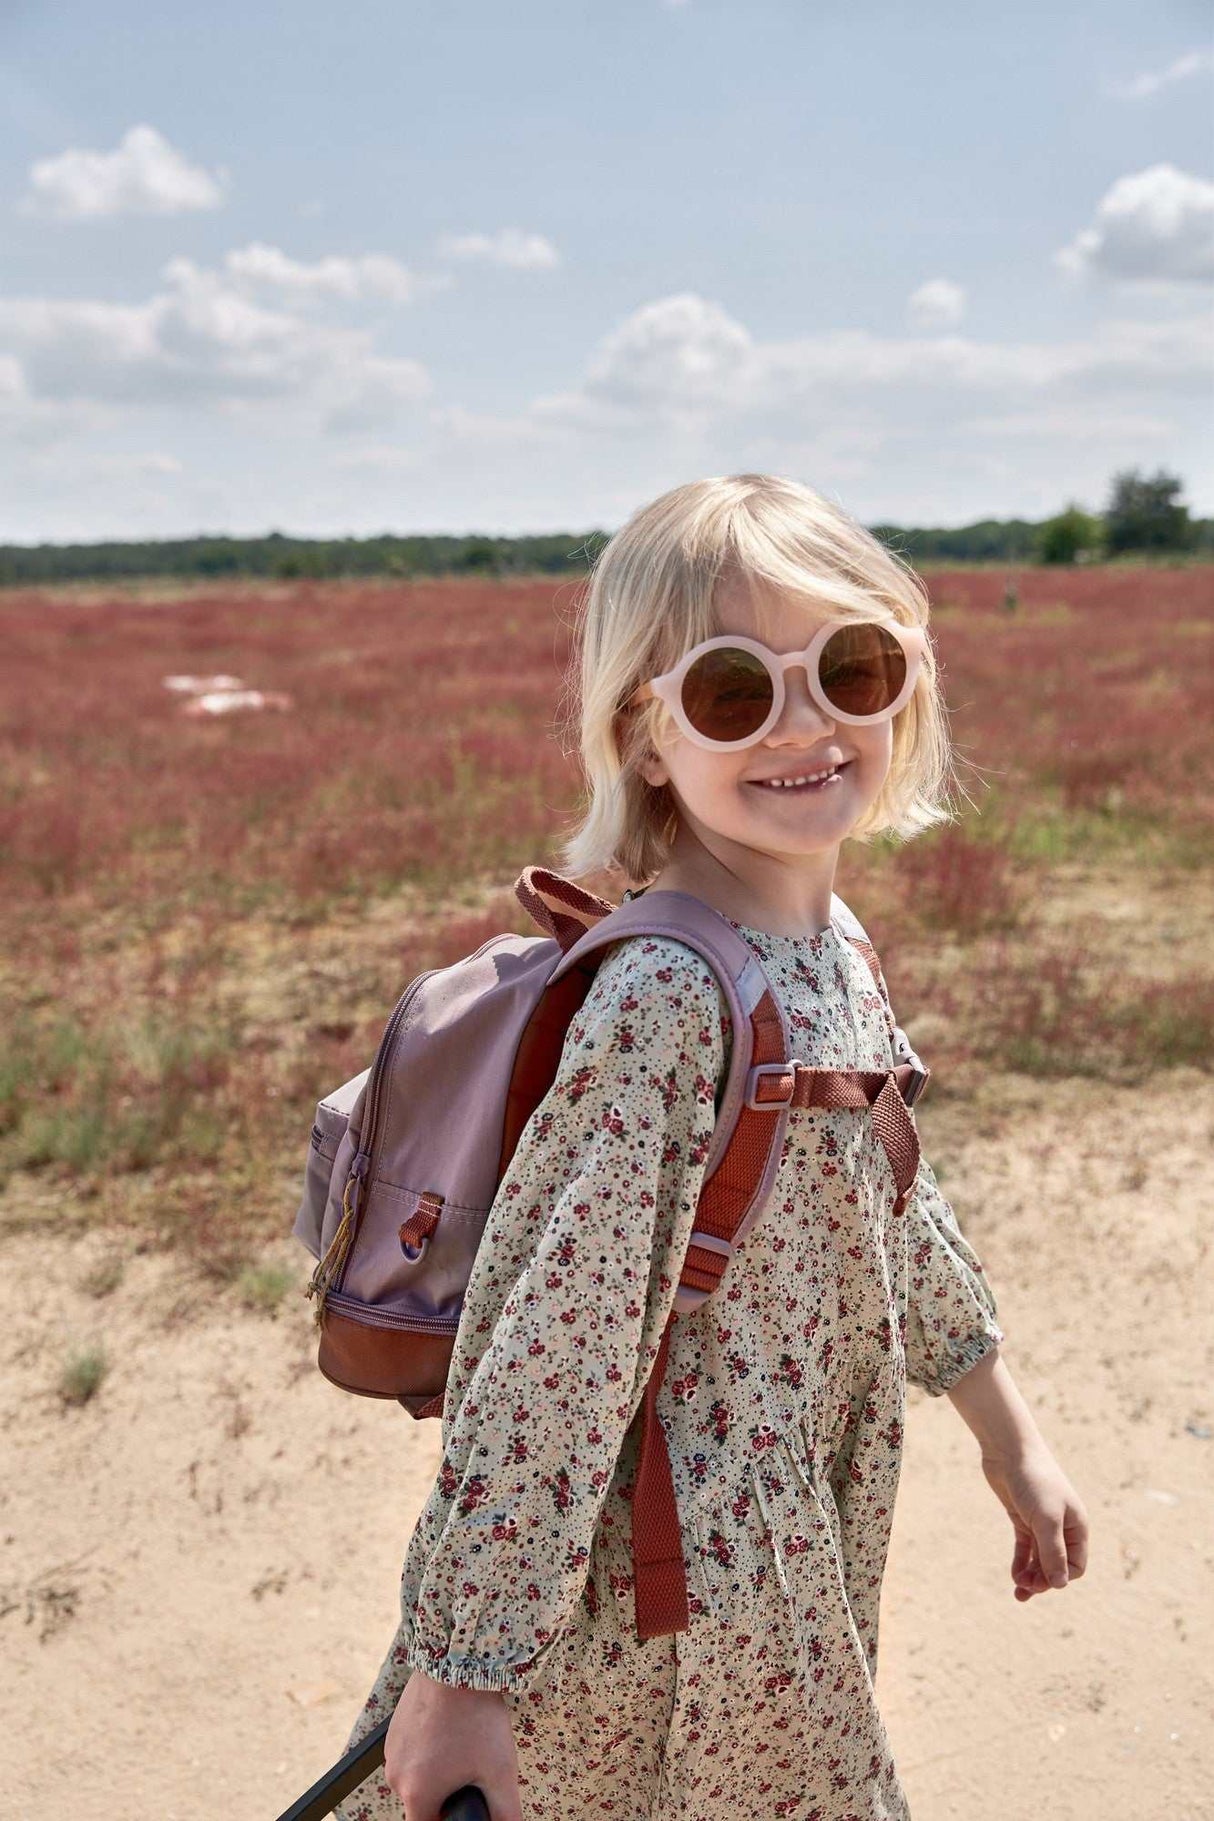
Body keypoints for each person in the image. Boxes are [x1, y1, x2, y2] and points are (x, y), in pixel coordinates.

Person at [334, 473, 1089, 1821]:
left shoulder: (828, 946)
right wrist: (459, 1673)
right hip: (674, 1583)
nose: (805, 724)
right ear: (641, 734)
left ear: (903, 684)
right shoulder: (667, 999)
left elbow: (891, 1209)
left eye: (849, 668)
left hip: (778, 1540)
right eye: (737, 691)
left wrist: (1003, 1429)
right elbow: (554, 1351)